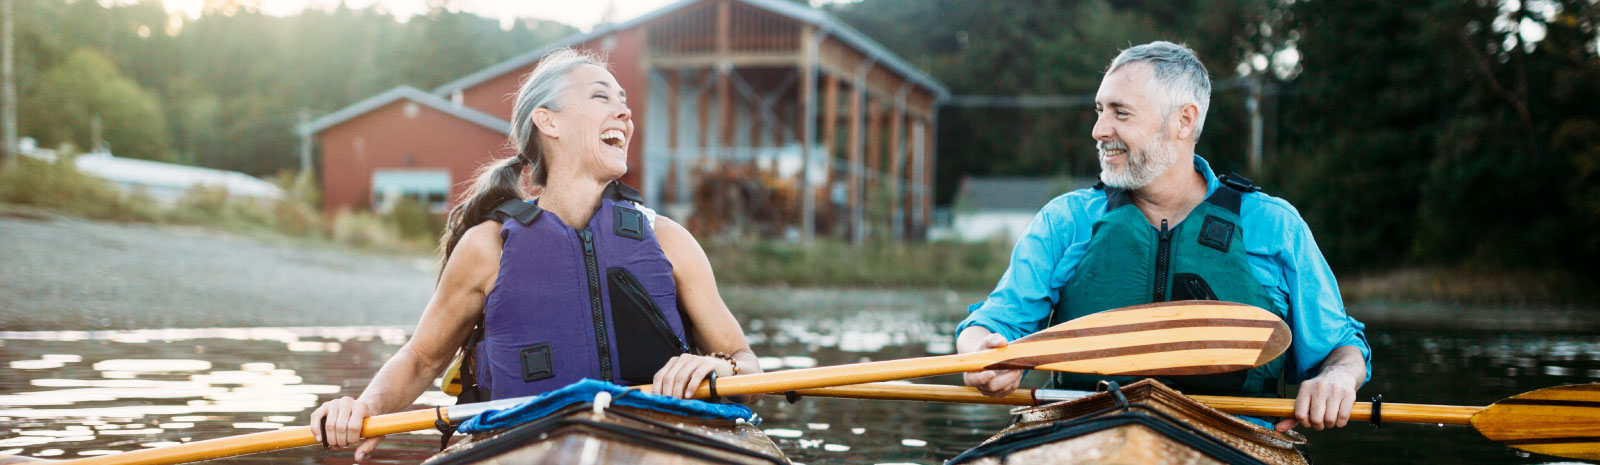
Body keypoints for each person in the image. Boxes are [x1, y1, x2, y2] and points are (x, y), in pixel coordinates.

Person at [308, 49, 762, 462]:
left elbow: (746, 364)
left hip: (662, 442)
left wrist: (719, 365)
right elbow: (421, 360)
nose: (625, 113)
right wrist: (364, 407)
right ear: (549, 122)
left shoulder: (668, 239)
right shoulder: (489, 247)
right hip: (522, 444)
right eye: (601, 97)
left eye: (624, 101)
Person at [955, 41, 1370, 433]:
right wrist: (981, 353)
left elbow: (1341, 348)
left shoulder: (1275, 226)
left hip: (1231, 436)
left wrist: (1337, 377)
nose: (1099, 130)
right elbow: (990, 325)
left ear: (1183, 120)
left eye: (1120, 112)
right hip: (1086, 434)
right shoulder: (1065, 221)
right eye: (1099, 110)